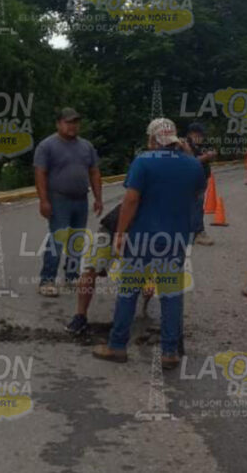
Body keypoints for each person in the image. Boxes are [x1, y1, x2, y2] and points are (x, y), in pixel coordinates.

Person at [92, 118, 205, 368]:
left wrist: (120, 233)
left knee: (128, 291)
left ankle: (117, 346)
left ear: (154, 139)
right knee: (171, 295)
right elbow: (196, 196)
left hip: (141, 239)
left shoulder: (144, 161)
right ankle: (169, 352)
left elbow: (131, 200)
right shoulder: (193, 165)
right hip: (174, 239)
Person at [34, 108, 103, 299]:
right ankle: (47, 280)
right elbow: (40, 173)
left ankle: (72, 276)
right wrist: (44, 200)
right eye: (68, 122)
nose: (72, 126)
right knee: (58, 238)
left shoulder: (86, 146)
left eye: (75, 122)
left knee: (77, 239)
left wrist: (98, 198)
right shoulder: (47, 146)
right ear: (58, 124)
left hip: (81, 199)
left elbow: (94, 172)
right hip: (58, 199)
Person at [185, 123, 216, 246]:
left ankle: (193, 232)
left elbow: (211, 156)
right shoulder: (185, 145)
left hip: (202, 178)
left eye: (201, 135)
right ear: (191, 134)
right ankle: (198, 232)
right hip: (190, 180)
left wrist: (212, 155)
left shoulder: (203, 145)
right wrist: (206, 156)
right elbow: (191, 161)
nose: (201, 137)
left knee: (197, 205)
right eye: (198, 135)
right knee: (195, 206)